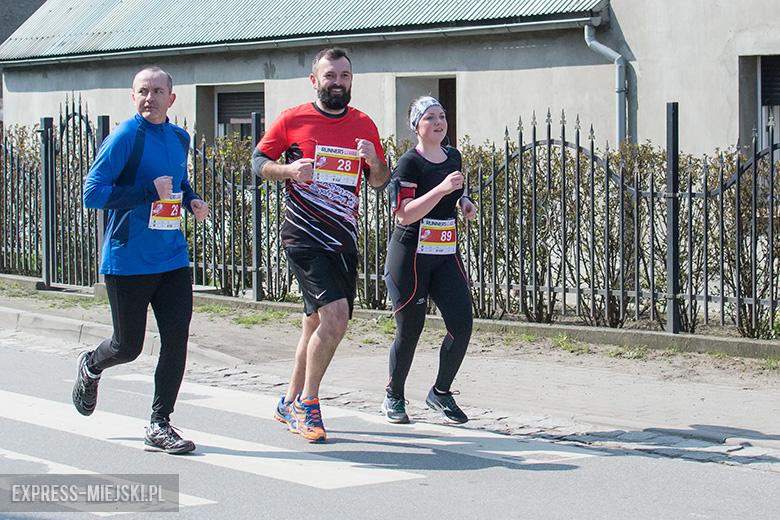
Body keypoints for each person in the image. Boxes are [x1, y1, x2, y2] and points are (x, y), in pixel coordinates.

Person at [251, 48, 390, 442]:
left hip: (343, 241)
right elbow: (258, 162)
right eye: (330, 76)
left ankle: (287, 402)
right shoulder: (293, 119)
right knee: (336, 318)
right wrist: (288, 170)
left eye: (344, 75)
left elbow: (380, 181)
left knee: (314, 324)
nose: (338, 82)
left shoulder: (363, 123)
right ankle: (307, 404)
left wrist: (374, 161)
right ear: (315, 81)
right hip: (304, 238)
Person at [73, 66, 209, 455]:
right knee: (127, 346)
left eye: (157, 91)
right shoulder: (124, 137)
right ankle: (91, 365)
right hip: (129, 258)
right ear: (134, 97)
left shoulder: (180, 137)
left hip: (172, 256)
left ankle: (159, 423)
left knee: (176, 339)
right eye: (143, 91)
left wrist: (191, 199)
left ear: (172, 98)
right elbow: (92, 194)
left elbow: (177, 183)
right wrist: (148, 191)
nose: (150, 98)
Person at [381, 95, 477, 424]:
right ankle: (394, 396)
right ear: (416, 127)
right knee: (411, 329)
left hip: (445, 253)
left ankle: (440, 392)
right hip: (410, 255)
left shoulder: (453, 156)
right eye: (430, 117)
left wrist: (464, 203)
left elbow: (456, 192)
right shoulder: (409, 163)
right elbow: (404, 214)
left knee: (462, 324)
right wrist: (441, 190)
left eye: (442, 116)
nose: (439, 122)